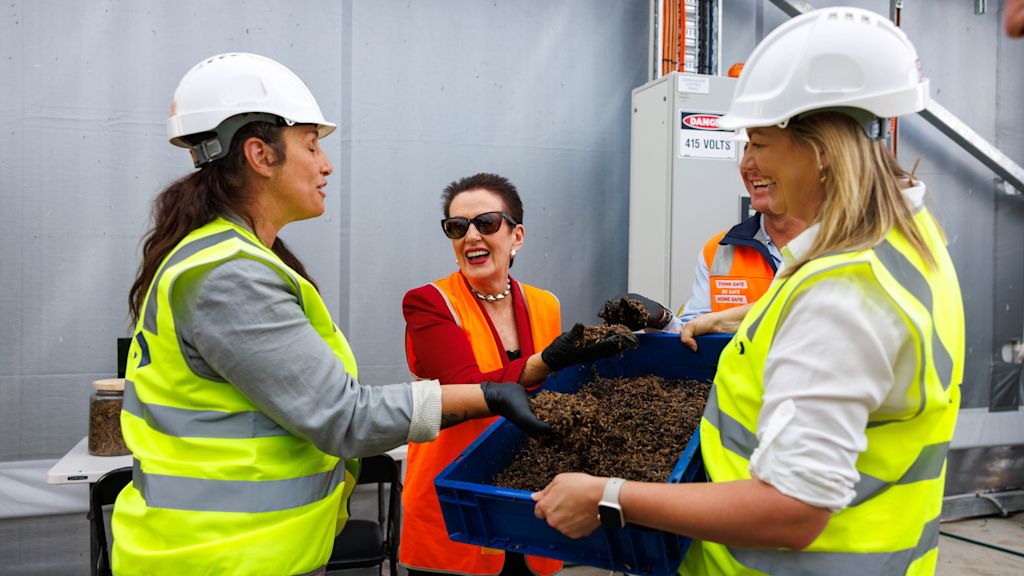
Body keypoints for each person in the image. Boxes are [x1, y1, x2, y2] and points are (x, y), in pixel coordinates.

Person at [533, 7, 965, 575]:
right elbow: (849, 343)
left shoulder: (844, 295)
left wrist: (609, 496)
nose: (747, 164)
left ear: (823, 152)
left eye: (760, 143)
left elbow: (790, 510)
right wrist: (731, 317)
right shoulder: (908, 242)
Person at [111, 52, 559, 576]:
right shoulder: (230, 274)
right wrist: (491, 392)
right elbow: (343, 416)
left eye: (488, 223)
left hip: (232, 549)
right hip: (223, 554)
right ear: (260, 154)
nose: (325, 164)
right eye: (311, 145)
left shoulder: (233, 257)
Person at [401, 173, 637, 576]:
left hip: (533, 504)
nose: (471, 236)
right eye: (457, 227)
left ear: (517, 236)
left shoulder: (544, 304)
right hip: (456, 506)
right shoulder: (429, 303)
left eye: (487, 223)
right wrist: (545, 361)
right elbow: (465, 386)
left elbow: (555, 395)